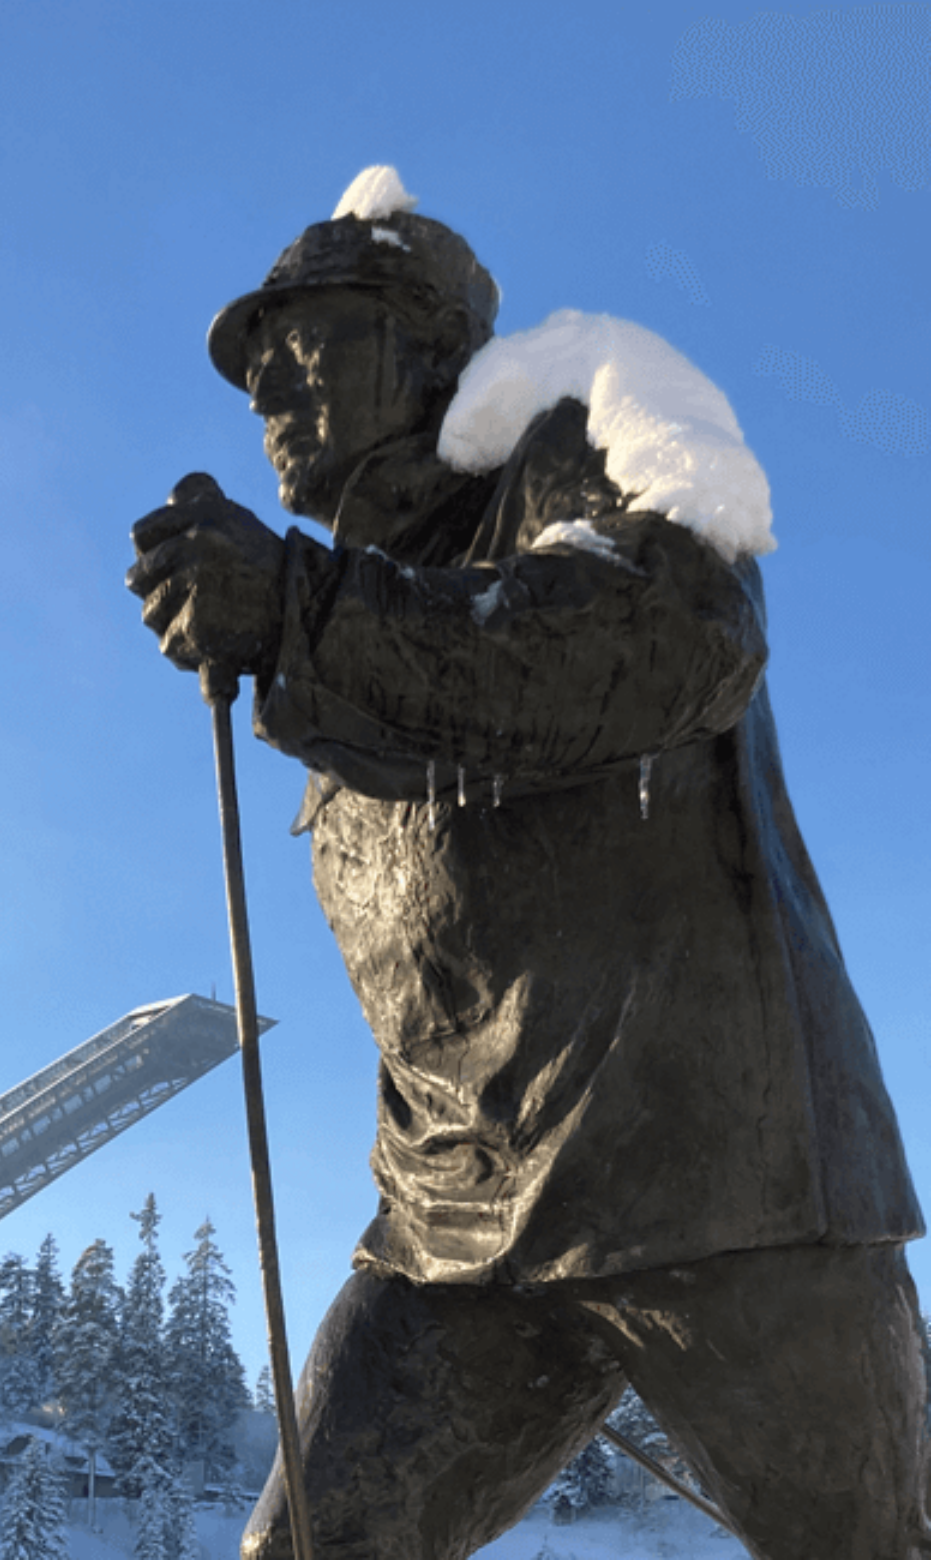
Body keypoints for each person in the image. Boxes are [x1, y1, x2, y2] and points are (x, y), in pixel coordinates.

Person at [127, 167, 926, 1560]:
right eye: (255, 370)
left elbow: (673, 635)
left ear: (430, 343)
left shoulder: (593, 425)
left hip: (715, 1182)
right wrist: (307, 619)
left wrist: (307, 610)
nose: (270, 392)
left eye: (303, 344)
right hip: (461, 1219)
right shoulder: (354, 622)